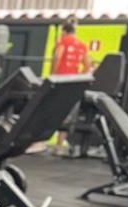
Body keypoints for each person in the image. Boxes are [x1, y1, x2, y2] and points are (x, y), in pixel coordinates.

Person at [52, 20, 93, 154]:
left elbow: (57, 57)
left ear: (64, 31)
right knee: (68, 114)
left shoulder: (62, 41)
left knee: (51, 110)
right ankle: (59, 146)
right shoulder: (82, 45)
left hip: (60, 81)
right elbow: (88, 65)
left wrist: (53, 75)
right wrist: (79, 77)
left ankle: (38, 142)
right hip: (73, 82)